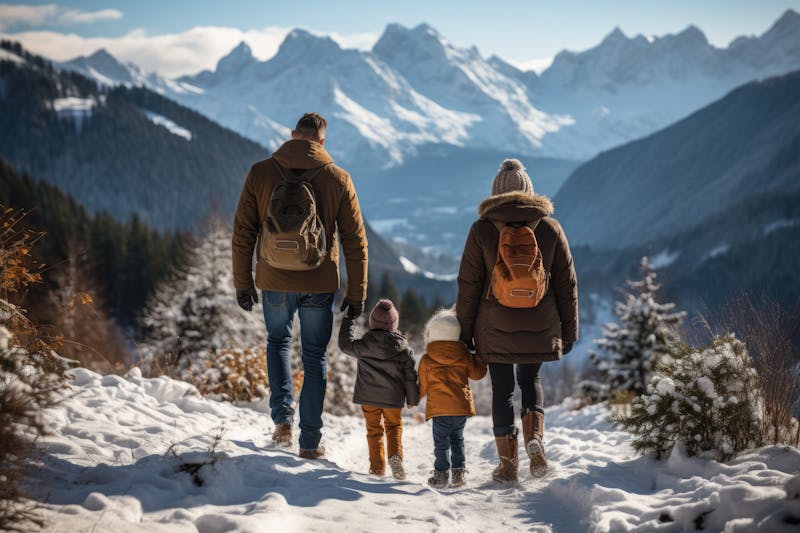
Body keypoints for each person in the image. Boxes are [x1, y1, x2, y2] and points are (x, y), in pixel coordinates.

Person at [232, 112, 368, 459]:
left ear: (293, 135)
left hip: (273, 278)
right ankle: (309, 442)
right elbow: (355, 241)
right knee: (314, 355)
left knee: (278, 342)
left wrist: (243, 281)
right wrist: (357, 294)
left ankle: (282, 423)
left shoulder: (260, 172)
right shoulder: (338, 177)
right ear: (321, 141)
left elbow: (243, 232)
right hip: (319, 282)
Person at [456, 159, 578, 483]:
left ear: (495, 192)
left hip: (494, 329)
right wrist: (569, 330)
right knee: (530, 383)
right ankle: (535, 441)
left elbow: (468, 288)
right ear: (529, 190)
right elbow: (567, 285)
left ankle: (508, 464)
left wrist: (464, 334)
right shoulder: (550, 228)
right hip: (539, 326)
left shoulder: (482, 229)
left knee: (502, 391)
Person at [338, 299, 419, 479]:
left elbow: (344, 344)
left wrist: (349, 319)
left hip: (368, 397)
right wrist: (412, 398)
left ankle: (377, 469)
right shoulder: (404, 349)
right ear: (394, 324)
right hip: (393, 399)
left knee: (374, 431)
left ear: (372, 322)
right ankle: (395, 457)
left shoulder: (363, 346)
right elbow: (411, 375)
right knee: (393, 426)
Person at [418, 307, 487, 489]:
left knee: (441, 444)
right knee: (458, 439)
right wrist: (479, 356)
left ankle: (441, 475)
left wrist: (413, 398)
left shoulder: (427, 359)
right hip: (460, 408)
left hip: (439, 409)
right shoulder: (464, 355)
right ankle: (459, 473)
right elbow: (478, 374)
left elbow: (423, 387)